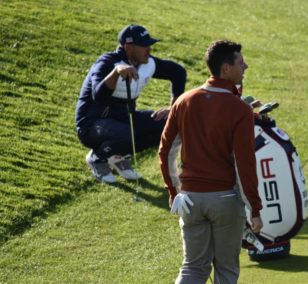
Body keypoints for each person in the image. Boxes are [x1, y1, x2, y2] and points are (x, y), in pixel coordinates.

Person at [159, 40, 263, 284]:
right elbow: (244, 163)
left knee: (193, 268)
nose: (245, 66)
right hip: (225, 200)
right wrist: (255, 209)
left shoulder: (183, 101)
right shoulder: (239, 110)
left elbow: (166, 152)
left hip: (190, 200)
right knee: (226, 271)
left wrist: (174, 191)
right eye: (240, 62)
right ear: (226, 69)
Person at [75, 24, 186, 183]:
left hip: (122, 120)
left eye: (149, 45)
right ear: (128, 47)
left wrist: (173, 108)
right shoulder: (106, 63)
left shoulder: (147, 63)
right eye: (144, 46)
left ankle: (117, 156)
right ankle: (97, 157)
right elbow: (98, 96)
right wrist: (115, 73)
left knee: (170, 124)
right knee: (124, 134)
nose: (149, 50)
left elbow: (178, 72)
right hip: (91, 125)